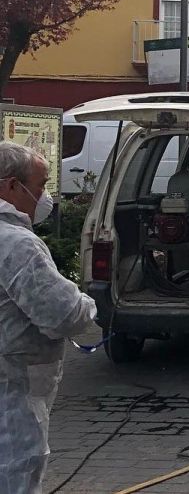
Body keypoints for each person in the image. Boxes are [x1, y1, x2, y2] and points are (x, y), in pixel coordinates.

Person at [0, 141, 97, 493]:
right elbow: (63, 313)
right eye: (40, 186)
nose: (44, 197)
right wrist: (88, 303)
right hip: (12, 393)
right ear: (12, 185)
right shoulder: (16, 244)